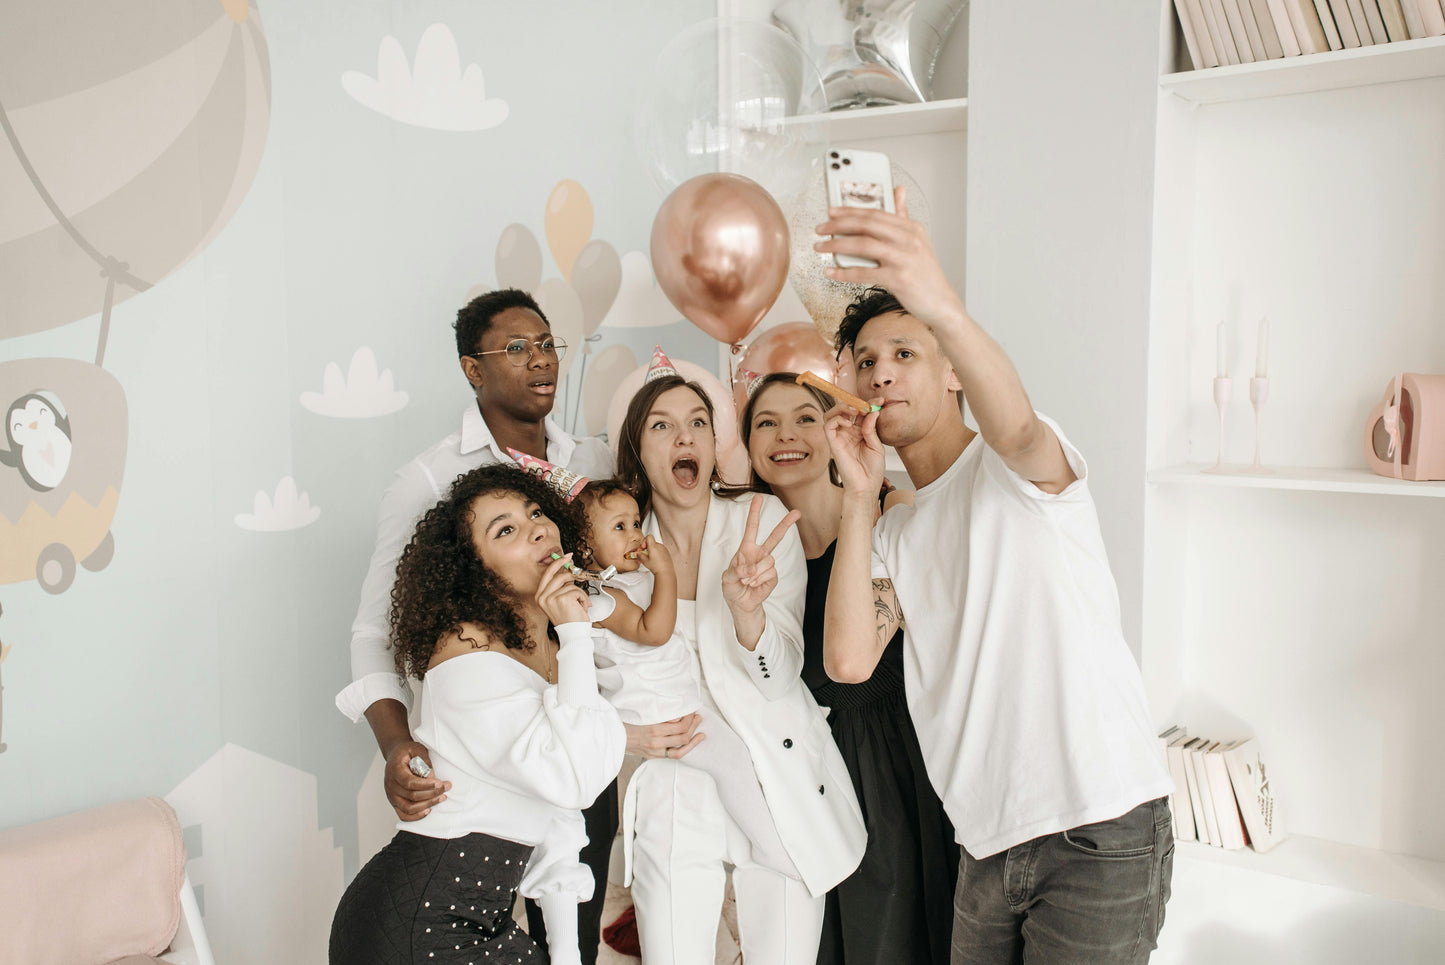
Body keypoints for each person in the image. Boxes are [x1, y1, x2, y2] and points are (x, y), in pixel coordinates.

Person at [817, 191, 1175, 964]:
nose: (882, 374)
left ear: (951, 372)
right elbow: (848, 660)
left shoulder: (1013, 469)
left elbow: (1012, 422)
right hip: (983, 844)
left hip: (1096, 826)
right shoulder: (894, 529)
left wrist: (935, 297)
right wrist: (856, 496)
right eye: (867, 361)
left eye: (905, 353)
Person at [336, 289, 617, 963]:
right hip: (487, 757)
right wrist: (397, 743)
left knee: (570, 920)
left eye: (547, 343)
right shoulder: (429, 480)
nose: (539, 360)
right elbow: (373, 631)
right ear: (472, 369)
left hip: (580, 729)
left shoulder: (596, 464)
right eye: (515, 348)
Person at [610, 357, 868, 964]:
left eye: (698, 421)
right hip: (675, 787)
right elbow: (592, 684)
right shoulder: (613, 553)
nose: (684, 437)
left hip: (773, 779)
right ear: (636, 453)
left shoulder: (761, 522)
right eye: (661, 426)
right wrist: (631, 735)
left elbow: (781, 678)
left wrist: (748, 615)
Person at [739, 371, 957, 965]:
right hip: (804, 771)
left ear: (835, 430)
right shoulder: (745, 557)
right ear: (749, 445)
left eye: (805, 418)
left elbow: (860, 660)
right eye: (766, 422)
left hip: (898, 757)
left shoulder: (891, 511)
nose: (786, 435)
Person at [575, 479, 794, 875]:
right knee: (734, 762)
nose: (635, 535)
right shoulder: (601, 597)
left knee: (737, 760)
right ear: (586, 547)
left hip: (669, 700)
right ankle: (770, 847)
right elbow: (654, 631)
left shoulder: (623, 581)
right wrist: (666, 573)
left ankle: (760, 839)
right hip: (659, 712)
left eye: (636, 523)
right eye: (619, 528)